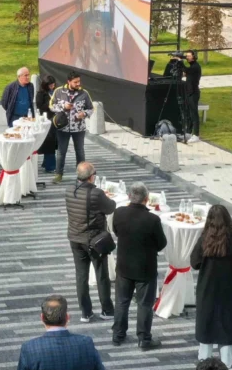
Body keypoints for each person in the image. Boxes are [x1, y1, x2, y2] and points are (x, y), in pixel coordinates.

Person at [191, 205, 232, 368]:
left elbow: (194, 263)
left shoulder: (205, 239)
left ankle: (204, 365)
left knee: (206, 332)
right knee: (227, 331)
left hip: (207, 292)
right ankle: (226, 365)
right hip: (230, 295)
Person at [112, 182, 167, 349]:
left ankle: (118, 335)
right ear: (146, 199)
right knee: (144, 304)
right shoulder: (152, 219)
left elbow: (116, 231)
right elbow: (161, 244)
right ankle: (144, 338)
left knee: (122, 301)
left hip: (123, 267)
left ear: (129, 197)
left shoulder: (119, 212)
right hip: (145, 269)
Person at [64, 161, 115, 322]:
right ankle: (107, 310)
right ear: (92, 177)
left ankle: (86, 312)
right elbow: (110, 208)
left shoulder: (69, 190)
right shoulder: (96, 193)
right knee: (101, 275)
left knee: (81, 276)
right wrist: (105, 196)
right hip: (94, 240)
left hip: (75, 237)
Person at [51, 72, 94, 184]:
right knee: (61, 152)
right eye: (75, 82)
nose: (78, 84)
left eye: (79, 81)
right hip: (62, 128)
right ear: (68, 81)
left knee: (80, 152)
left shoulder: (84, 93)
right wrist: (62, 106)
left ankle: (83, 176)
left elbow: (91, 108)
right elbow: (51, 105)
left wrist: (84, 114)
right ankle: (58, 174)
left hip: (79, 128)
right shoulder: (59, 91)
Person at [35, 74, 59, 173]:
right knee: (49, 143)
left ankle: (46, 162)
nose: (52, 87)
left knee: (53, 142)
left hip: (56, 119)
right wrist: (51, 104)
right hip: (46, 120)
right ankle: (50, 166)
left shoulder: (56, 91)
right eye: (50, 85)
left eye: (53, 85)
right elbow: (40, 106)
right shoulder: (41, 94)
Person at [182, 51, 203, 138]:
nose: (187, 57)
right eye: (186, 56)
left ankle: (196, 134)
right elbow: (185, 72)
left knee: (194, 114)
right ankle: (188, 131)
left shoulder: (195, 67)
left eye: (188, 56)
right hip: (188, 92)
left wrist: (180, 61)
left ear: (194, 56)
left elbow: (186, 70)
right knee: (188, 113)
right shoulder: (191, 67)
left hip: (194, 93)